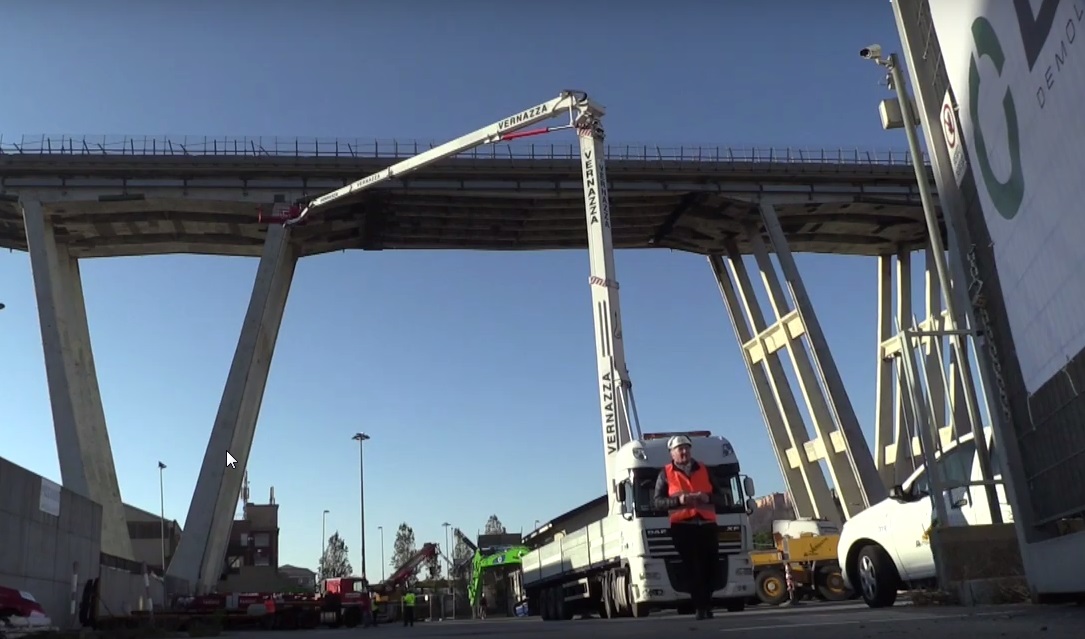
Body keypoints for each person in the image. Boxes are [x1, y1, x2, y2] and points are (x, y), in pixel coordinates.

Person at [652, 434, 729, 620]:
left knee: (711, 566)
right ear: (672, 453)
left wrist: (707, 498)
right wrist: (678, 500)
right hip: (682, 526)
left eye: (686, 448)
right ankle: (701, 607)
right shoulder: (665, 473)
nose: (684, 451)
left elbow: (722, 497)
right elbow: (657, 502)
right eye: (680, 449)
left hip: (707, 525)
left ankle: (706, 602)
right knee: (693, 567)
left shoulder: (704, 469)